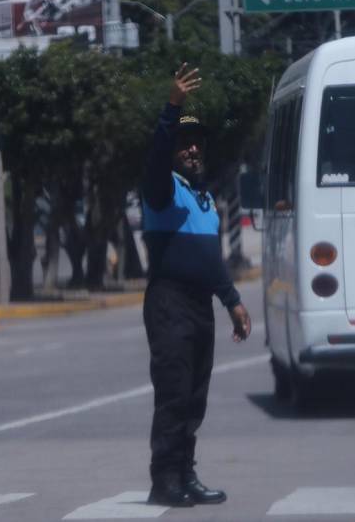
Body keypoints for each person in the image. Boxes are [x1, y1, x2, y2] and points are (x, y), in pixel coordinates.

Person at [141, 63, 252, 507]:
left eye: (196, 143)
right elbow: (155, 156)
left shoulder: (204, 200)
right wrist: (172, 108)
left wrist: (233, 302)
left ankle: (186, 475)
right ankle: (163, 480)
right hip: (168, 303)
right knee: (173, 395)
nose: (190, 149)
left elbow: (211, 262)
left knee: (194, 399)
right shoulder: (162, 190)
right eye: (183, 143)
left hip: (199, 305)